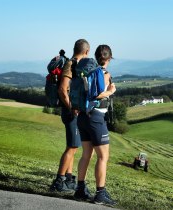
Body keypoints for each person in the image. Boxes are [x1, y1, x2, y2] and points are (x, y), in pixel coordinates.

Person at [74, 45, 117, 206]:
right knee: (103, 156)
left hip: (83, 117)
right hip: (96, 118)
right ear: (109, 58)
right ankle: (100, 193)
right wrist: (110, 91)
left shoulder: (88, 71)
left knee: (86, 155)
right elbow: (97, 94)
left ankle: (80, 189)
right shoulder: (104, 73)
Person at [50, 39, 90, 192]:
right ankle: (58, 182)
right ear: (86, 51)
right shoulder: (71, 65)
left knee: (74, 146)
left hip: (72, 111)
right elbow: (62, 89)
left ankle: (69, 179)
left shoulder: (74, 64)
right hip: (70, 111)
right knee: (72, 147)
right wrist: (71, 107)